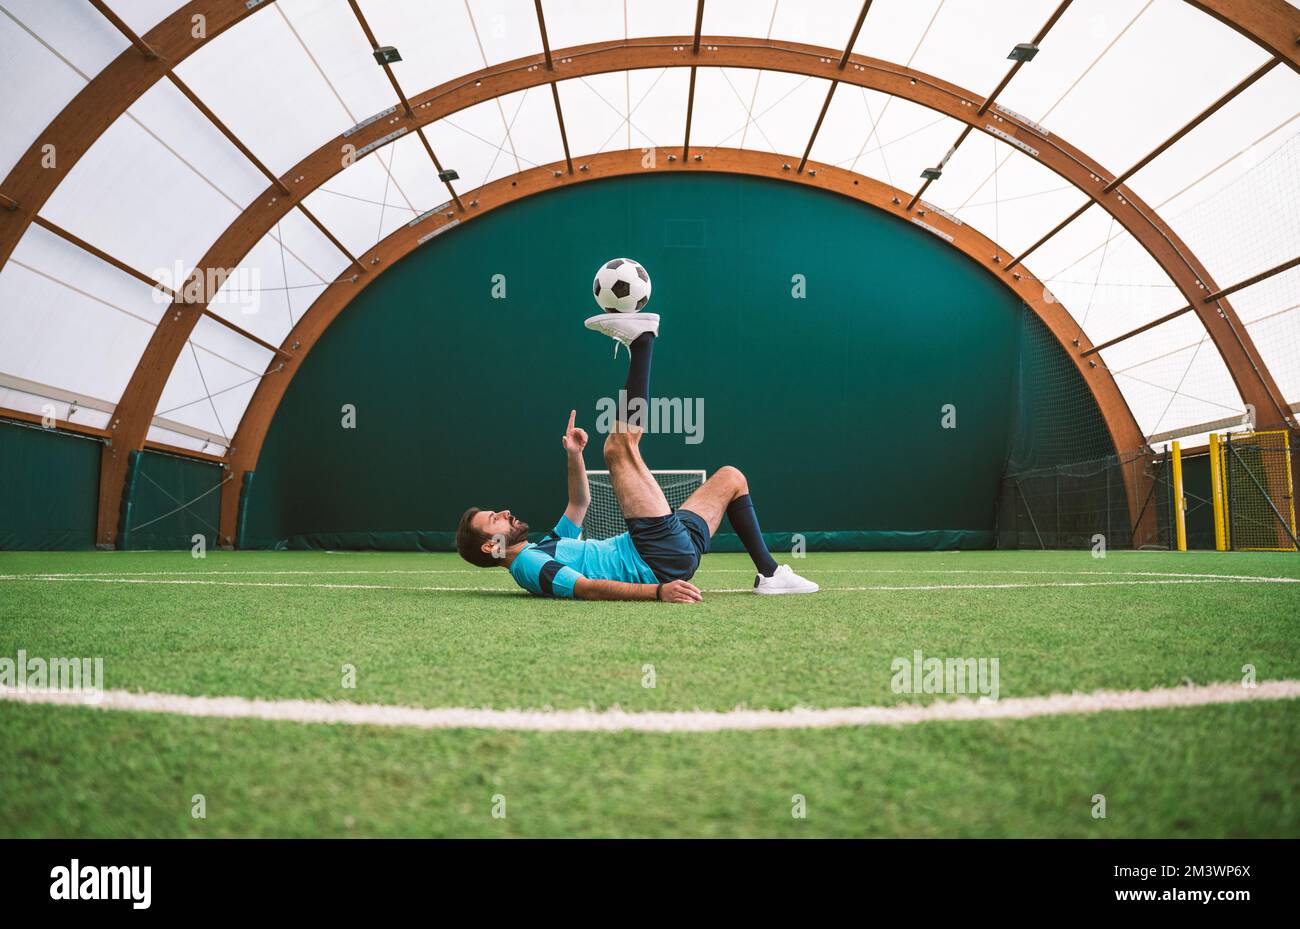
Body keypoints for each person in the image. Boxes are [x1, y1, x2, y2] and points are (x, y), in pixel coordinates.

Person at [455, 312, 818, 602]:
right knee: (618, 446)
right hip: (652, 558)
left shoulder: (545, 545)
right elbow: (585, 588)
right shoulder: (528, 565)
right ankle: (642, 342)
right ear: (492, 546)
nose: (503, 512)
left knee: (731, 478)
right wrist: (658, 591)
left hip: (670, 550)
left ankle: (770, 575)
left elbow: (580, 503)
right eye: (494, 519)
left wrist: (574, 455)